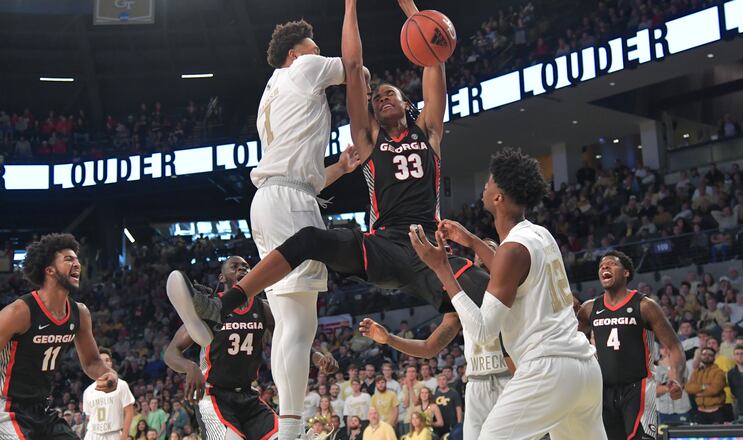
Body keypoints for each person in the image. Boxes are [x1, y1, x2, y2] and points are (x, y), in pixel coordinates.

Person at [168, 3, 489, 428]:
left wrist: (413, 12)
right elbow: (355, 74)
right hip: (385, 245)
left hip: (432, 251)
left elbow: (433, 59)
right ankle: (227, 307)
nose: (382, 97)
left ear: (408, 105)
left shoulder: (429, 132)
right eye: (377, 99)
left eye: (391, 94)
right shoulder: (368, 139)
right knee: (309, 244)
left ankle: (559, 329)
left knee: (500, 293)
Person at [166, 16, 359, 440]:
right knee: (299, 325)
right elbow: (355, 67)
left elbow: (297, 171)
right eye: (312, 47)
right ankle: (291, 430)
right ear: (295, 53)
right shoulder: (304, 67)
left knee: (291, 322)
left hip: (270, 201)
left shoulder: (269, 93)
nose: (316, 53)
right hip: (291, 204)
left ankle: (290, 427)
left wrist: (341, 168)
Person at [408, 148, 606, 439]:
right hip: (585, 369)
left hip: (547, 368)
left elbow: (484, 330)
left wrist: (442, 270)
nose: (485, 187)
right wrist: (473, 241)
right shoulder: (540, 234)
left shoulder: (512, 249)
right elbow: (513, 272)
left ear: (498, 197)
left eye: (489, 183)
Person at [165, 256, 336, 439]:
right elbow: (171, 353)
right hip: (215, 396)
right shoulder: (211, 308)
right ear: (221, 278)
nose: (242, 269)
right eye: (235, 266)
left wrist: (317, 357)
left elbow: (291, 340)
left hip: (249, 396)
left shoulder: (262, 308)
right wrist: (190, 367)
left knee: (288, 436)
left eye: (246, 267)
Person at [359, 232, 510, 439]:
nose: (483, 255)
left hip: (508, 379)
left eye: (491, 249)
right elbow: (429, 348)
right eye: (478, 253)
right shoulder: (459, 304)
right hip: (476, 383)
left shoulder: (514, 292)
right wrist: (389, 339)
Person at [0, 233, 118, 439]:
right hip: (7, 408)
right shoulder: (20, 312)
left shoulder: (80, 313)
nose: (77, 264)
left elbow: (91, 362)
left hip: (42, 408)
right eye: (69, 259)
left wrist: (108, 374)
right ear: (50, 270)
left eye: (77, 259)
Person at [576, 250, 685, 440]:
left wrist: (677, 378)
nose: (605, 267)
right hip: (604, 390)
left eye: (611, 264)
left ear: (626, 273)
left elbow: (674, 346)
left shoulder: (645, 306)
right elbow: (567, 335)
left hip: (639, 387)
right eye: (601, 266)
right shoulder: (590, 308)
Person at [83, 347, 135, 440]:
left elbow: (129, 412)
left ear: (111, 363)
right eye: (101, 361)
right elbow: (88, 417)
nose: (105, 363)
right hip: (92, 434)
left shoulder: (121, 384)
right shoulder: (88, 391)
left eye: (107, 360)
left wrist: (124, 435)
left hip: (113, 434)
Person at [686, 347, 727, 424]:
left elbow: (715, 389)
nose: (706, 356)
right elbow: (688, 388)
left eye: (710, 355)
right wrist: (703, 387)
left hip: (716, 411)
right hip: (700, 411)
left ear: (714, 357)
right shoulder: (696, 372)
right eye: (704, 354)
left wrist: (698, 393)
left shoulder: (719, 372)